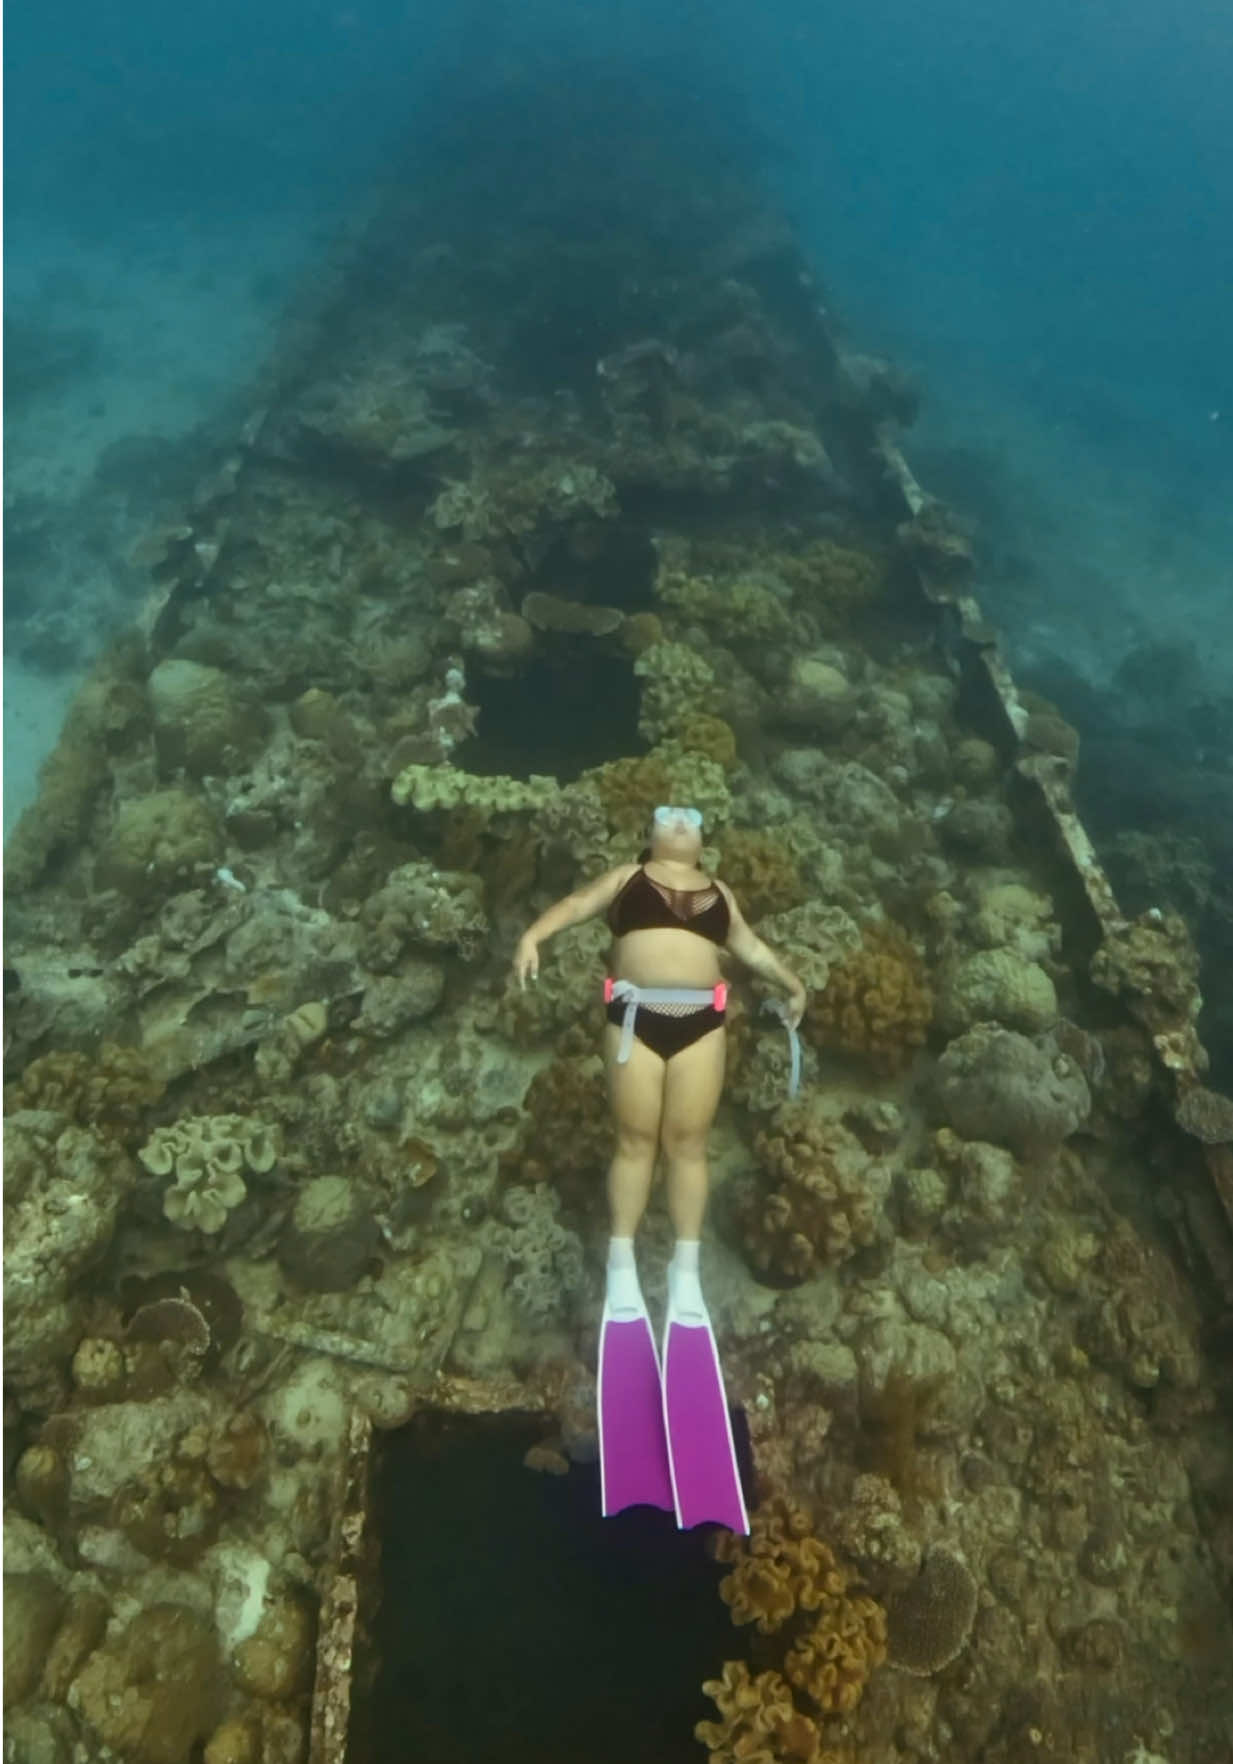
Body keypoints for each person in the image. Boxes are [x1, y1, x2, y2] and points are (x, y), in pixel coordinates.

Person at [513, 804, 806, 1531]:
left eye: (690, 814)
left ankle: (682, 1271)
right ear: (648, 836)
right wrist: (531, 934)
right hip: (635, 1019)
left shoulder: (720, 895)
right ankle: (620, 1264)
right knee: (635, 1142)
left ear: (705, 838)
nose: (678, 819)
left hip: (703, 1022)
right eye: (666, 814)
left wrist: (792, 983)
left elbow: (753, 949)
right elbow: (576, 905)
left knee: (687, 1145)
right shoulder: (626, 878)